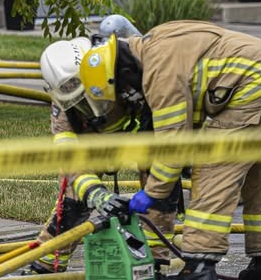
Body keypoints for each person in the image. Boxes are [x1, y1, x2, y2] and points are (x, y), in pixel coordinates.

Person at [41, 21, 261, 280]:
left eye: (93, 100)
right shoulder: (72, 105)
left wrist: (151, 197)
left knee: (213, 167)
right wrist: (95, 193)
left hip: (255, 88)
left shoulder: (156, 72)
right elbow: (71, 165)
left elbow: (173, 148)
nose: (94, 112)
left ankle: (199, 268)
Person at [26, 36, 176, 275]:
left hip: (145, 134)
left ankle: (154, 264)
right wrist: (94, 193)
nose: (83, 105)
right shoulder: (63, 108)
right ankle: (46, 265)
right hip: (94, 144)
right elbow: (70, 158)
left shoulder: (126, 68)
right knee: (73, 201)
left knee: (161, 191)